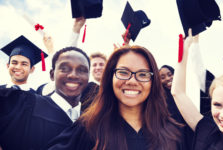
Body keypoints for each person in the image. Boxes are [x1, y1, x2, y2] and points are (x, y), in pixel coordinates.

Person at [46, 46, 184, 150]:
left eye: (143, 74)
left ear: (153, 82)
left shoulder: (173, 132)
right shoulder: (89, 128)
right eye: (123, 72)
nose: (132, 81)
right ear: (109, 78)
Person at [0, 46, 90, 150]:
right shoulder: (26, 104)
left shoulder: (91, 123)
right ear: (52, 75)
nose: (73, 75)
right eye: (64, 68)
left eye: (82, 70)